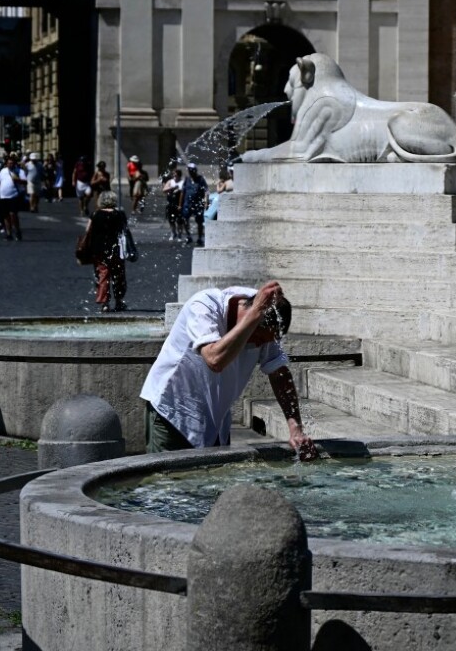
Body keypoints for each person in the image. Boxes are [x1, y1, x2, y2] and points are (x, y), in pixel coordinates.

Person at [139, 281, 317, 460]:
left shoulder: (264, 318)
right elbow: (215, 360)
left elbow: (279, 374)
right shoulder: (204, 306)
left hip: (216, 421)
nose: (259, 345)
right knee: (170, 485)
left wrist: (296, 429)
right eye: (258, 339)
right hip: (173, 414)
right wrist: (254, 315)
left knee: (213, 485)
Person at [84, 190, 128, 313]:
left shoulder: (95, 214)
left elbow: (88, 231)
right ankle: (119, 301)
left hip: (99, 250)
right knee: (118, 275)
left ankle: (105, 303)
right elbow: (124, 230)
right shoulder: (119, 214)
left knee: (103, 275)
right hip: (116, 249)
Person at [0, 156, 25, 240]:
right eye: (8, 163)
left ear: (14, 163)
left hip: (14, 196)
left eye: (11, 163)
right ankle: (9, 233)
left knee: (13, 214)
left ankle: (17, 231)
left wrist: (18, 180)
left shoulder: (19, 171)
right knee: (6, 216)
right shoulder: (3, 171)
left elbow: (25, 181)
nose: (10, 165)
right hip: (3, 196)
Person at [182, 161, 208, 245]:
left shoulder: (200, 179)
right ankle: (188, 236)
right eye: (189, 170)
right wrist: (180, 204)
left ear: (195, 170)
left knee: (199, 221)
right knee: (185, 219)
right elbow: (183, 192)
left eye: (192, 170)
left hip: (197, 203)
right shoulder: (187, 179)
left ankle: (200, 237)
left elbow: (206, 191)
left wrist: (206, 202)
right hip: (187, 203)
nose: (191, 172)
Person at [161, 161, 185, 241]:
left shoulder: (182, 182)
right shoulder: (170, 182)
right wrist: (172, 188)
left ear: (179, 175)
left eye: (176, 174)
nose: (174, 176)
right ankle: (173, 232)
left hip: (179, 203)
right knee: (171, 220)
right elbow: (164, 190)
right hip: (171, 203)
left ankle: (179, 234)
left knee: (180, 220)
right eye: (173, 174)